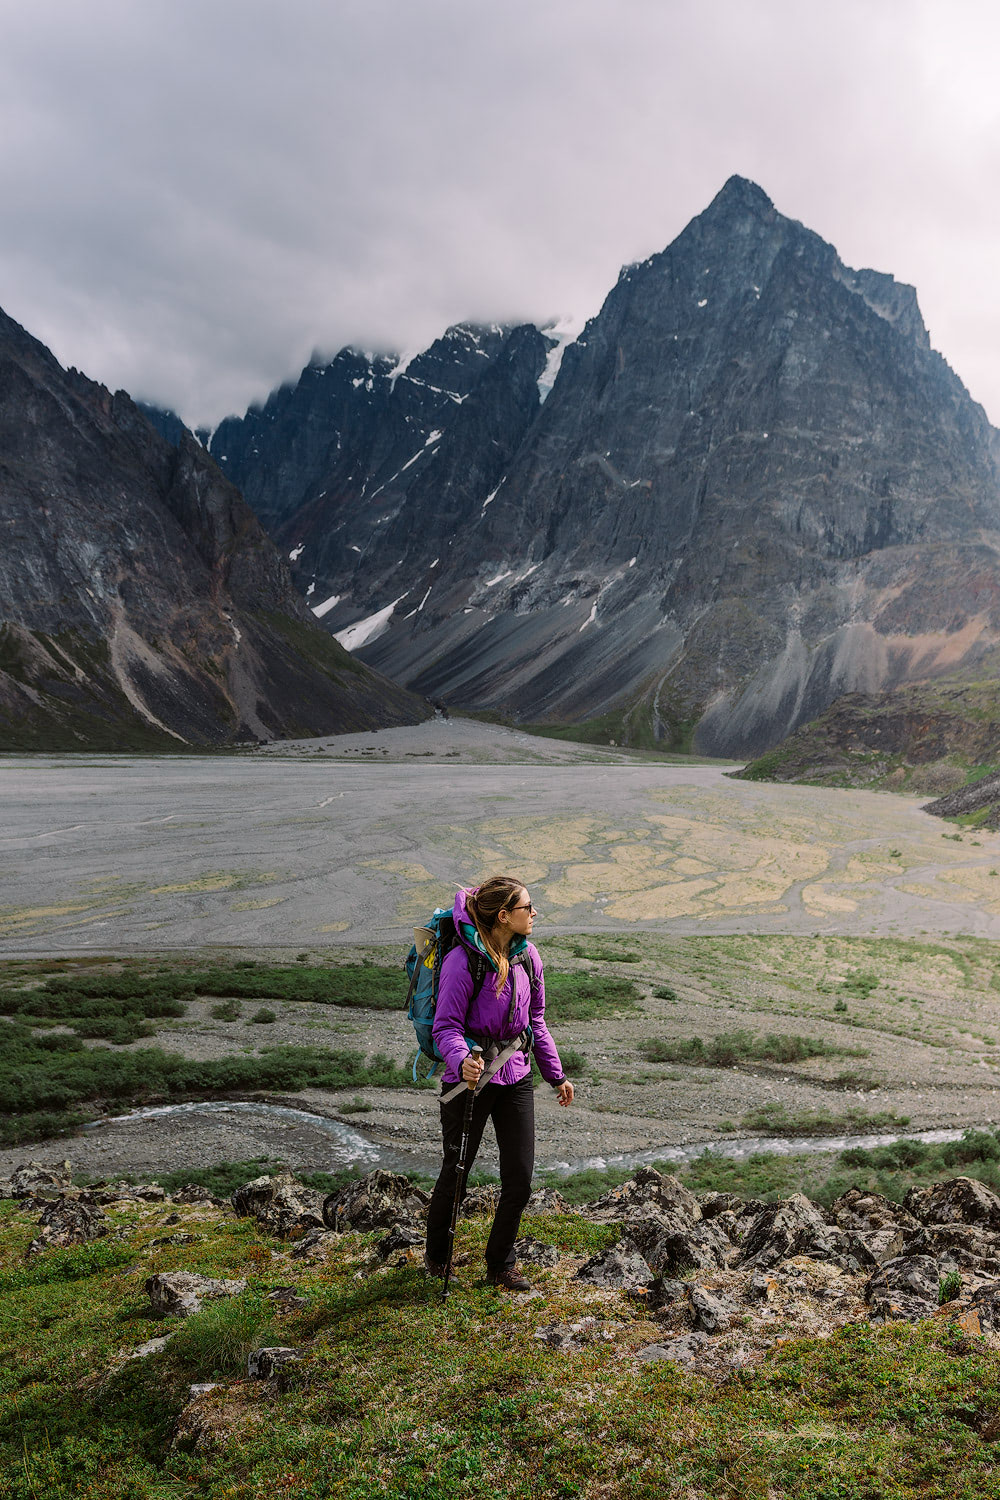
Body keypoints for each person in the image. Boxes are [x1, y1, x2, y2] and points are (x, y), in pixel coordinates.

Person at [423, 875, 574, 1291]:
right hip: (468, 1081)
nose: (534, 913)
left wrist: (555, 1075)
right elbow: (446, 1027)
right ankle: (437, 1258)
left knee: (520, 1177)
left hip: (516, 1076)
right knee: (457, 1172)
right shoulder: (462, 961)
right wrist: (460, 1059)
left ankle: (500, 1264)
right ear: (504, 916)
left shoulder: (530, 959)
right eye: (528, 907)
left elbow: (536, 1021)